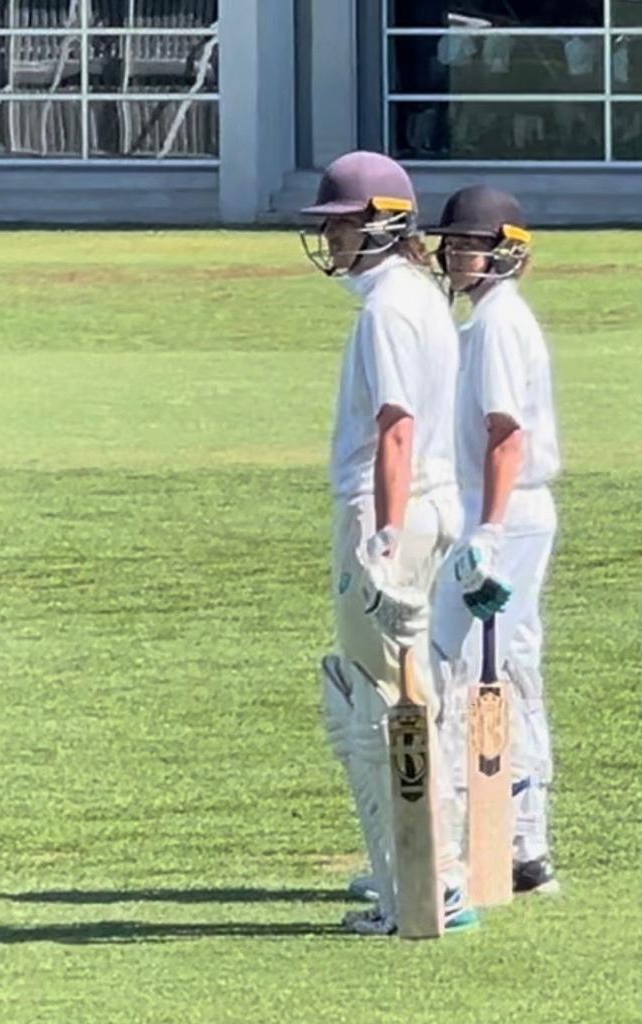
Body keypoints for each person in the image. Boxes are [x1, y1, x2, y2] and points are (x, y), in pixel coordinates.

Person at [299, 150, 477, 934]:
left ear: (383, 225)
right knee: (412, 695)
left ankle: (415, 886)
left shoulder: (388, 309)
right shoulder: (422, 298)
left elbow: (395, 427)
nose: (331, 239)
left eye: (342, 224)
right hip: (427, 508)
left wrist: (382, 535)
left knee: (372, 705)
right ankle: (432, 873)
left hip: (393, 514)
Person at [426, 185, 561, 894]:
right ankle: (515, 848)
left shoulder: (497, 326)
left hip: (501, 513)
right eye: (450, 244)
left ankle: (488, 849)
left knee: (473, 675)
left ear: (504, 250)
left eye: (468, 244)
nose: (454, 256)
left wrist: (487, 530)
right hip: (501, 512)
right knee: (501, 669)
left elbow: (506, 435)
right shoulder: (490, 321)